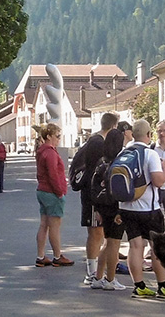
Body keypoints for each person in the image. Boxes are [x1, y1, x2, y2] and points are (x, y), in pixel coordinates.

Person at [118, 119, 165, 299]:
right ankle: (163, 285)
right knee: (157, 247)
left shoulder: (123, 152)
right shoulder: (149, 154)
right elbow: (159, 182)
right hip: (148, 208)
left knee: (135, 246)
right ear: (149, 135)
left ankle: (139, 286)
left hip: (127, 207)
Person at [80, 113, 119, 285]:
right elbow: (97, 171)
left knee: (98, 232)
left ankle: (95, 271)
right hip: (93, 194)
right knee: (95, 232)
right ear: (113, 126)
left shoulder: (94, 139)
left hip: (92, 193)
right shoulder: (98, 143)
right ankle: (91, 272)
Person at [89, 127, 128, 291]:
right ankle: (110, 279)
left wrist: (97, 208)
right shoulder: (118, 162)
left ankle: (98, 277)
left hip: (102, 205)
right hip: (115, 206)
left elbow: (94, 186)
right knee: (114, 243)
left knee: (107, 242)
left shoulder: (101, 162)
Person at [34, 123, 73, 267]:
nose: (59, 139)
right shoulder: (50, 152)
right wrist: (60, 192)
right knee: (54, 226)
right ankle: (57, 256)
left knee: (44, 224)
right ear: (48, 136)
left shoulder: (41, 150)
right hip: (51, 192)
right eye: (57, 136)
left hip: (42, 190)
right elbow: (53, 175)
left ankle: (40, 256)